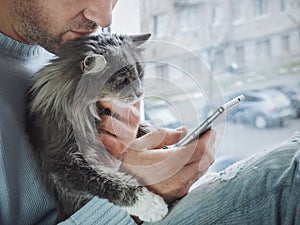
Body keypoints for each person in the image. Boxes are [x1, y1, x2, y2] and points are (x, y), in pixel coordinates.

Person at [0, 1, 299, 225]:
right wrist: (128, 200)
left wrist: (138, 148)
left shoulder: (68, 38)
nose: (104, 17)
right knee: (289, 174)